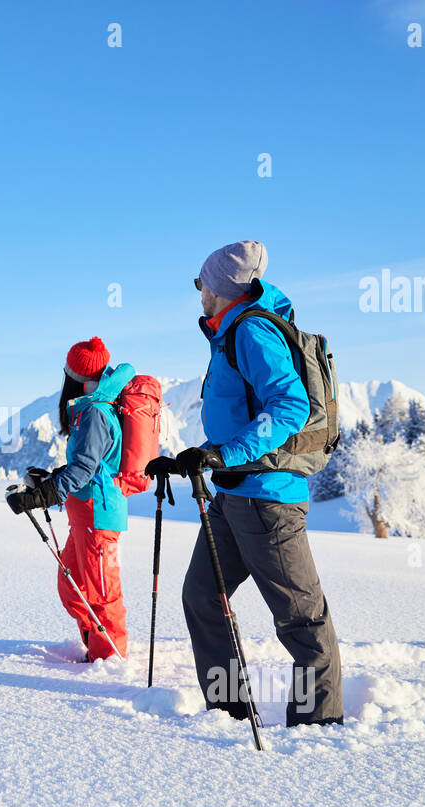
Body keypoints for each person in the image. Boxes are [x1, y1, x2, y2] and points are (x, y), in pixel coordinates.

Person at [149, 241, 343, 725]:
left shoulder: (253, 330)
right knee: (201, 596)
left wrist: (225, 454)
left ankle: (318, 726)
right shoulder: (231, 332)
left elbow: (290, 407)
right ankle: (230, 708)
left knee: (301, 619)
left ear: (219, 287)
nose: (198, 293)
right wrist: (191, 460)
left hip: (267, 501)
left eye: (201, 284)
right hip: (233, 495)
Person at [7, 337, 134, 661]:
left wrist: (44, 494)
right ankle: (96, 646)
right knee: (72, 586)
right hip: (83, 515)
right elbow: (90, 464)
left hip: (98, 513)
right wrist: (50, 480)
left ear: (77, 379)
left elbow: (86, 469)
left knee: (102, 592)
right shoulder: (91, 409)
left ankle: (109, 661)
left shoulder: (95, 413)